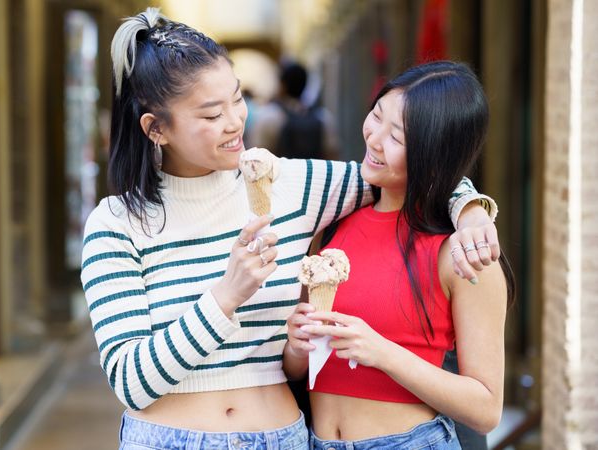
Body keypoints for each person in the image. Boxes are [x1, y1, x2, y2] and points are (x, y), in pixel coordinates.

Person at [80, 8, 499, 450]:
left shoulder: (290, 186)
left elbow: (411, 171)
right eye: (210, 115)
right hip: (168, 440)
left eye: (237, 99)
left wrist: (469, 208)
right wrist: (227, 296)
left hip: (282, 439)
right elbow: (131, 383)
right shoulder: (116, 224)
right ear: (156, 128)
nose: (234, 122)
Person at [283, 61, 515, 449]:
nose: (374, 139)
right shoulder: (333, 225)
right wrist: (294, 345)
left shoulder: (460, 254)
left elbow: (486, 408)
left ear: (433, 153)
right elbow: (303, 367)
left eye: (397, 136)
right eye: (376, 115)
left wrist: (382, 352)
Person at [248, 61, 339, 160]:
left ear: (283, 85)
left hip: (281, 175)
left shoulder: (269, 117)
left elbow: (256, 156)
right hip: (314, 174)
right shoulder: (323, 117)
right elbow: (333, 154)